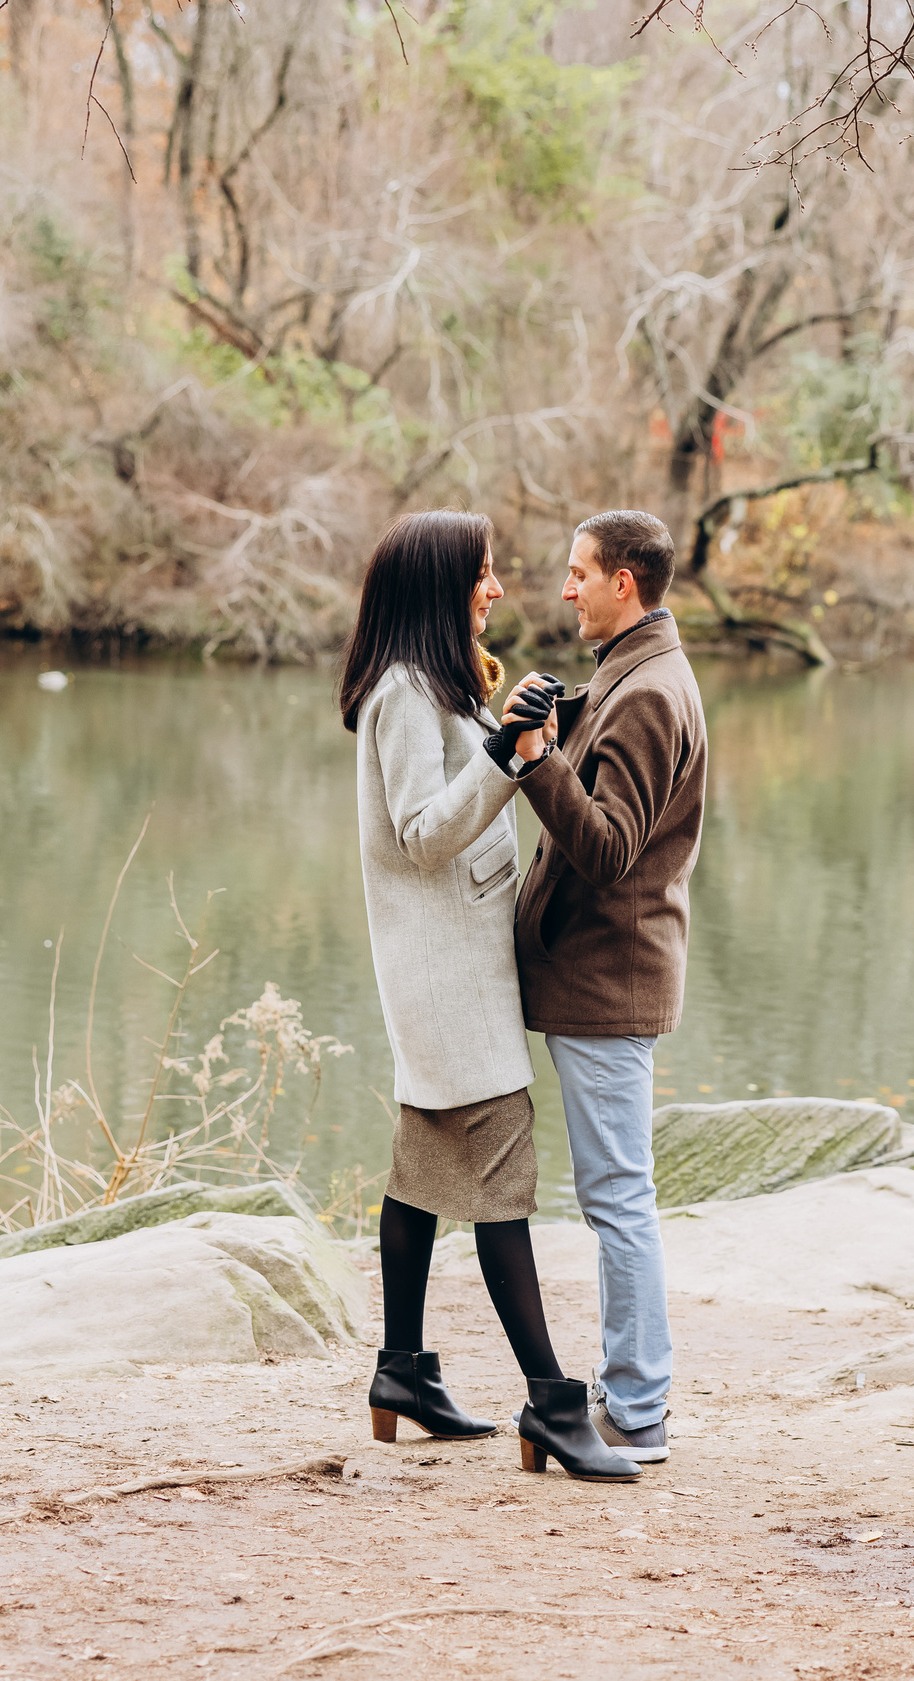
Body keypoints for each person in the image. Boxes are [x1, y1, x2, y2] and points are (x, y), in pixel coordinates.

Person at [338, 509, 638, 1484]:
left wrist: (516, 741)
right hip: (443, 980)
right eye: (484, 572)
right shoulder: (397, 697)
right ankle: (552, 1402)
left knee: (422, 1173)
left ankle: (402, 1372)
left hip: (456, 971)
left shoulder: (432, 686)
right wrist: (505, 757)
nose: (499, 588)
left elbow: (463, 797)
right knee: (502, 1182)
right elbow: (424, 833)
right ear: (440, 587)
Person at [490, 510, 707, 1466]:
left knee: (620, 1199)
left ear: (626, 581)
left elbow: (613, 849)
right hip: (594, 978)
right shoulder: (632, 671)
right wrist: (564, 717)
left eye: (580, 574)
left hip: (610, 983)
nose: (565, 588)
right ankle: (636, 1394)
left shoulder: (655, 692)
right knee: (617, 1195)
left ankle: (640, 1408)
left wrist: (535, 759)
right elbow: (614, 770)